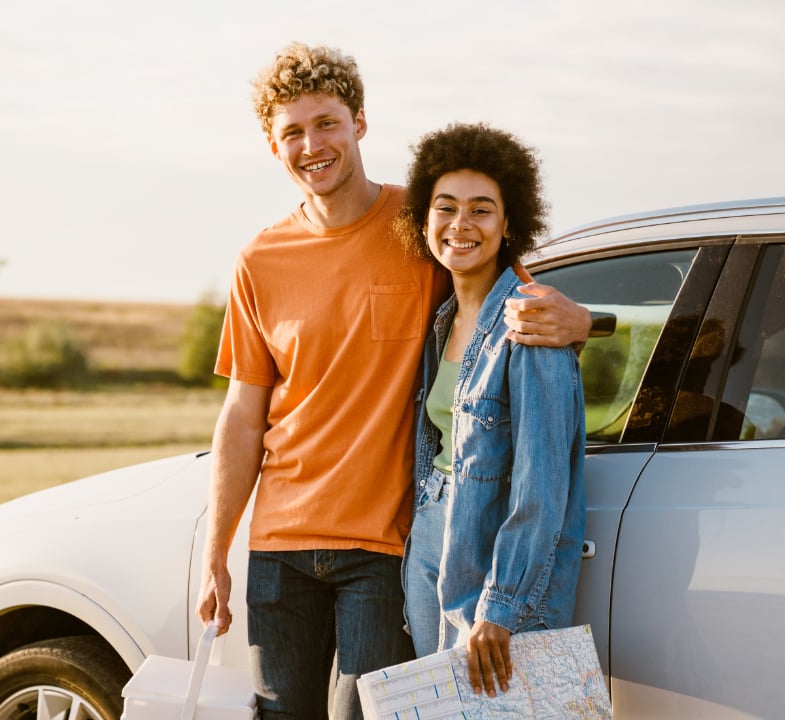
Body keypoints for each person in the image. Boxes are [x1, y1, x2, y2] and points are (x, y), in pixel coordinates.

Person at [194, 44, 591, 720]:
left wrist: (582, 320)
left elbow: (514, 298)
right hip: (279, 546)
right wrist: (216, 554)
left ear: (359, 122)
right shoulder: (259, 259)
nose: (312, 145)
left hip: (383, 547)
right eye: (293, 132)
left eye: (327, 123)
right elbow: (242, 413)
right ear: (273, 145)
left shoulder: (426, 222)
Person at [396, 122, 587, 698]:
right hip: (431, 541)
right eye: (446, 207)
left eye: (481, 210)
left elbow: (541, 486)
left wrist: (501, 606)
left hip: (492, 561)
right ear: (424, 221)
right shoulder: (442, 319)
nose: (461, 224)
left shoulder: (531, 324)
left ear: (508, 225)